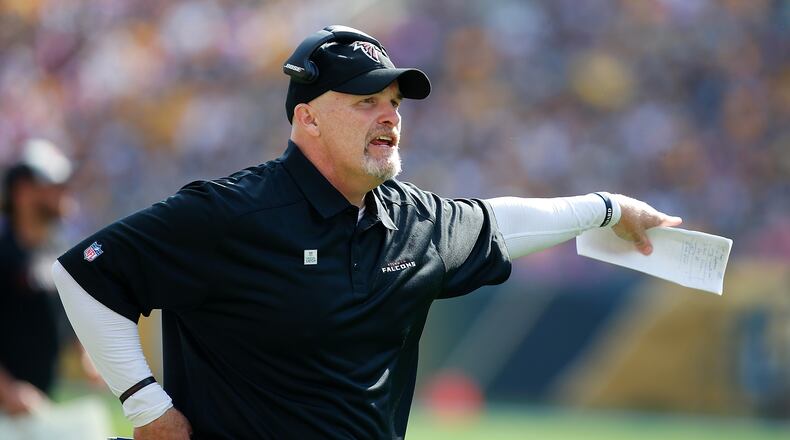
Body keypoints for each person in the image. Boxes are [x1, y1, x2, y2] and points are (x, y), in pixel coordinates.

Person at [52, 25, 682, 439]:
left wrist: (607, 207)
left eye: (394, 104)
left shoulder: (413, 219)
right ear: (308, 119)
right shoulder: (231, 214)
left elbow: (501, 223)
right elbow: (85, 274)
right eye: (365, 102)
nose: (389, 118)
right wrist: (147, 407)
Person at [0, 139, 73, 415]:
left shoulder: (58, 252)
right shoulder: (3, 254)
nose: (64, 191)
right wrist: (7, 389)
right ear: (22, 192)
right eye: (53, 184)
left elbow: (62, 320)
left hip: (40, 405)